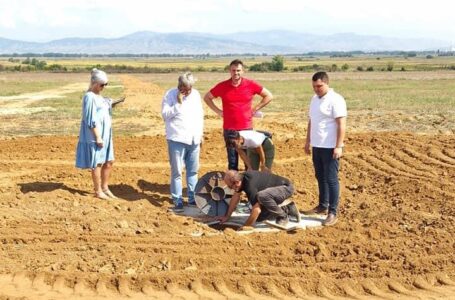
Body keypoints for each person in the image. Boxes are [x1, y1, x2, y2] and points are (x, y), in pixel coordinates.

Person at [204, 59, 273, 171]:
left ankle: (248, 186)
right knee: (232, 162)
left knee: (249, 162)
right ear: (229, 71)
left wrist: (255, 108)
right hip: (230, 130)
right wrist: (218, 112)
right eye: (233, 70)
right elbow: (207, 97)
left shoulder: (250, 84)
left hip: (247, 129)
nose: (236, 73)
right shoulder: (222, 86)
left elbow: (268, 96)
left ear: (243, 71)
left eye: (238, 70)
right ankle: (233, 187)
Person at [304, 71, 347, 226]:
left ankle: (333, 212)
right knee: (320, 176)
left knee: (331, 179)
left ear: (327, 83)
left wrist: (339, 146)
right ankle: (323, 205)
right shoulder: (314, 99)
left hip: (330, 147)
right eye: (314, 86)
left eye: (319, 86)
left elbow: (341, 124)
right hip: (317, 145)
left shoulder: (336, 100)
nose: (317, 89)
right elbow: (311, 121)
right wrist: (308, 141)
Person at [76, 68, 121, 199]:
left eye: (105, 85)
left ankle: (105, 188)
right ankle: (98, 191)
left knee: (109, 161)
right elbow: (90, 119)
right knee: (97, 163)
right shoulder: (89, 97)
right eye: (102, 85)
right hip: (96, 135)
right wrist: (98, 137)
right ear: (95, 83)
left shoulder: (98, 96)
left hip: (106, 134)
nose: (104, 87)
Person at [161, 72, 204, 212]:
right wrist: (178, 104)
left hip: (194, 138)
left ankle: (192, 199)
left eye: (188, 88)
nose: (185, 91)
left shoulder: (196, 95)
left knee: (193, 171)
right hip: (177, 138)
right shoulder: (170, 95)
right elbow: (165, 115)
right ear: (179, 85)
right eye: (183, 88)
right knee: (177, 171)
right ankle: (177, 199)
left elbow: (199, 115)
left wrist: (200, 134)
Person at [218, 170, 300, 228]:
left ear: (236, 182)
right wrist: (227, 216)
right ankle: (289, 208)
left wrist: (245, 227)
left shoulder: (250, 185)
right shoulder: (241, 178)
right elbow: (236, 196)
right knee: (260, 217)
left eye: (230, 186)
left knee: (261, 197)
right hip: (273, 192)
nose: (231, 189)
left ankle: (283, 215)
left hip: (285, 188)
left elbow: (256, 210)